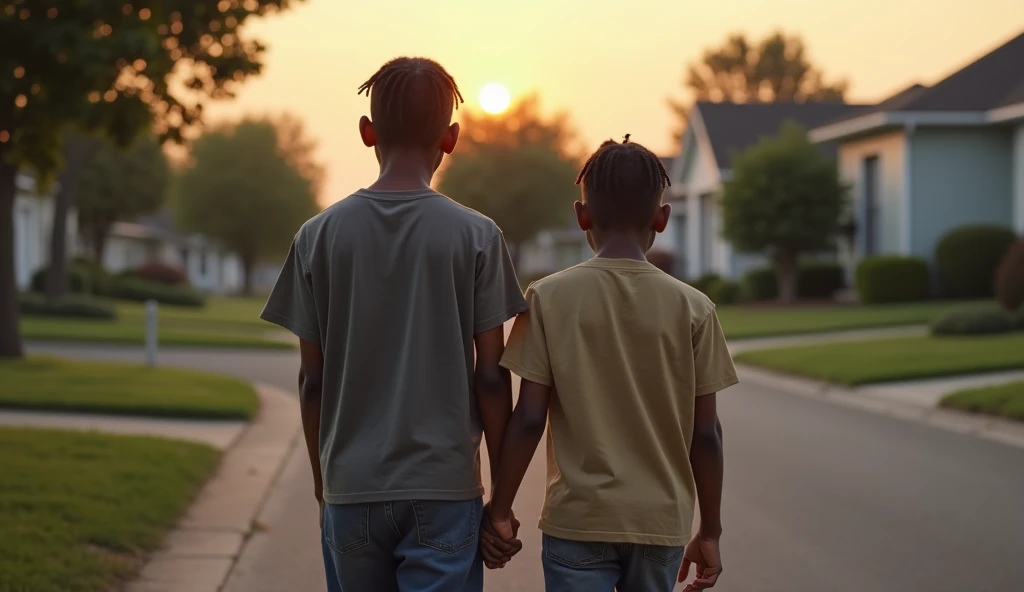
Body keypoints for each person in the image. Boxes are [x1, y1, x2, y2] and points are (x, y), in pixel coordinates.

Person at [260, 56, 527, 592]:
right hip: (444, 490)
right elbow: (492, 377)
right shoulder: (477, 237)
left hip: (351, 487)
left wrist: (322, 490)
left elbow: (313, 381)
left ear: (367, 132)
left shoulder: (317, 237)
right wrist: (500, 505)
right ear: (450, 138)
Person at [481, 135, 738, 592]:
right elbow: (706, 433)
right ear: (662, 218)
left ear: (582, 216)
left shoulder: (547, 298)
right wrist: (711, 531)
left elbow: (528, 419)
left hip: (578, 521)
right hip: (660, 523)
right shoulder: (695, 309)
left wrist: (500, 510)